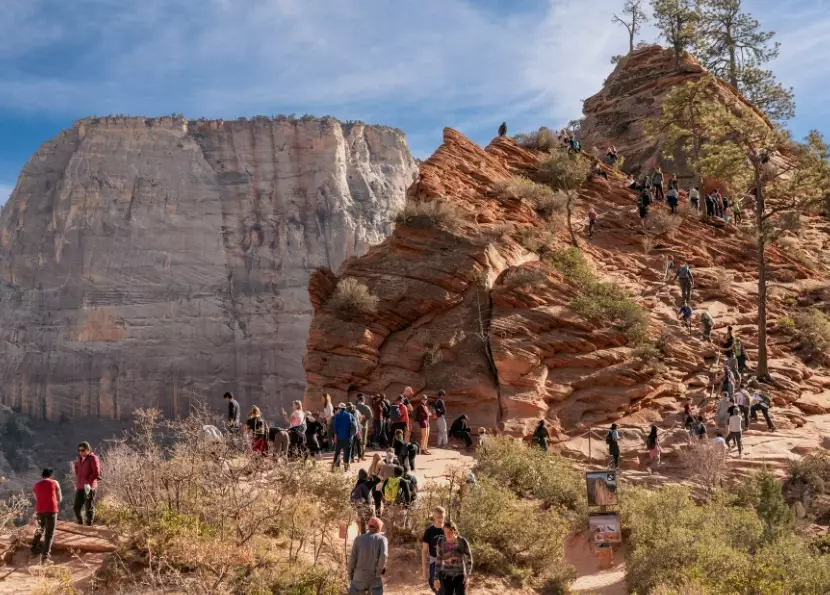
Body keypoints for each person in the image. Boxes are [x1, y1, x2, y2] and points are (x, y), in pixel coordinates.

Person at [348, 516, 388, 595]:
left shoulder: (358, 539)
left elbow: (352, 559)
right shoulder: (382, 539)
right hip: (374, 578)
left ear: (368, 527)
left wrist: (351, 576)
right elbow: (383, 556)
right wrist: (378, 573)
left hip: (358, 578)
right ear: (379, 528)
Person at [31, 468, 62, 564]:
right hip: (51, 509)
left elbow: (37, 498)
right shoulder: (55, 483)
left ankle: (34, 547)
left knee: (40, 529)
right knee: (49, 533)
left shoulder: (36, 485)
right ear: (51, 476)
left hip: (40, 509)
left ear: (41, 476)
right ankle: (45, 557)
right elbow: (59, 498)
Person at [435, 520, 474, 595]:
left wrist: (468, 576)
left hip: (459, 576)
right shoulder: (440, 541)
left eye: (450, 532)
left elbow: (469, 560)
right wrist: (436, 578)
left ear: (455, 531)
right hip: (445, 575)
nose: (447, 534)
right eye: (445, 532)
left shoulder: (462, 541)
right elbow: (438, 559)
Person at [73, 442, 101, 526]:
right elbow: (77, 471)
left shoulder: (93, 458)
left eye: (82, 450)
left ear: (88, 450)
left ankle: (89, 524)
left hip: (89, 486)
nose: (80, 452)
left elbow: (96, 472)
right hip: (80, 486)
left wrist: (88, 480)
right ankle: (80, 523)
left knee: (88, 506)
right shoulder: (79, 459)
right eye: (79, 450)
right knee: (76, 507)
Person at [422, 507, 447, 594]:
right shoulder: (429, 531)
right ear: (434, 517)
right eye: (438, 517)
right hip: (434, 563)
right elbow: (424, 551)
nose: (441, 519)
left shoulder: (448, 530)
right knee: (435, 585)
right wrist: (424, 569)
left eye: (442, 517)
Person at [332, 403, 357, 471]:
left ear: (339, 409)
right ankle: (346, 468)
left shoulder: (337, 416)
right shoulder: (350, 415)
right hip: (348, 437)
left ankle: (335, 467)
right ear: (345, 408)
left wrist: (335, 438)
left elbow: (335, 428)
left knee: (337, 452)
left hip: (339, 437)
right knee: (347, 453)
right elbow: (355, 425)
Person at [351, 469, 375, 535]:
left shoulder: (357, 485)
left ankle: (363, 537)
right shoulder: (367, 484)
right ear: (366, 476)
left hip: (359, 508)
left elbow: (352, 498)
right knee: (372, 524)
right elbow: (377, 480)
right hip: (368, 506)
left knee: (363, 526)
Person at [356, 394, 374, 461]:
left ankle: (356, 455)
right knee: (363, 442)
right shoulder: (366, 407)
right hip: (364, 426)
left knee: (357, 441)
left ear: (358, 400)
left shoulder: (355, 407)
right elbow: (370, 416)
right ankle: (362, 456)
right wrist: (364, 417)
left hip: (356, 426)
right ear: (364, 400)